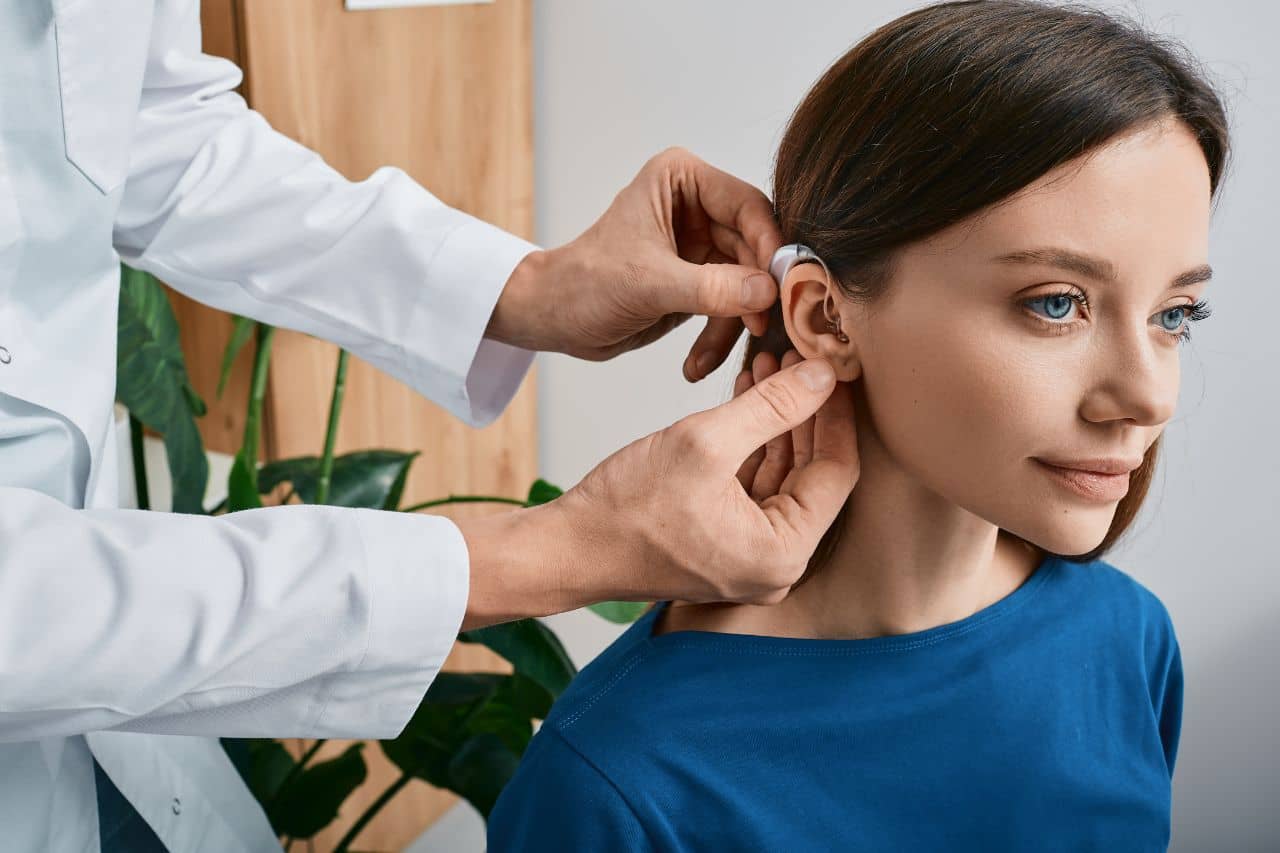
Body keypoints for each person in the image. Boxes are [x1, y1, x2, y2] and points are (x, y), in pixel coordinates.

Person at [0, 1, 861, 851]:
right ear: (819, 315)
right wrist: (550, 550)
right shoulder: (620, 783)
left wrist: (528, 287)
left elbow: (144, 126)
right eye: (1006, 300)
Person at [486, 1, 1229, 849]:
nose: (1148, 395)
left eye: (1176, 314)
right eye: (1056, 303)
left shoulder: (1128, 643)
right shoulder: (618, 784)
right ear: (828, 318)